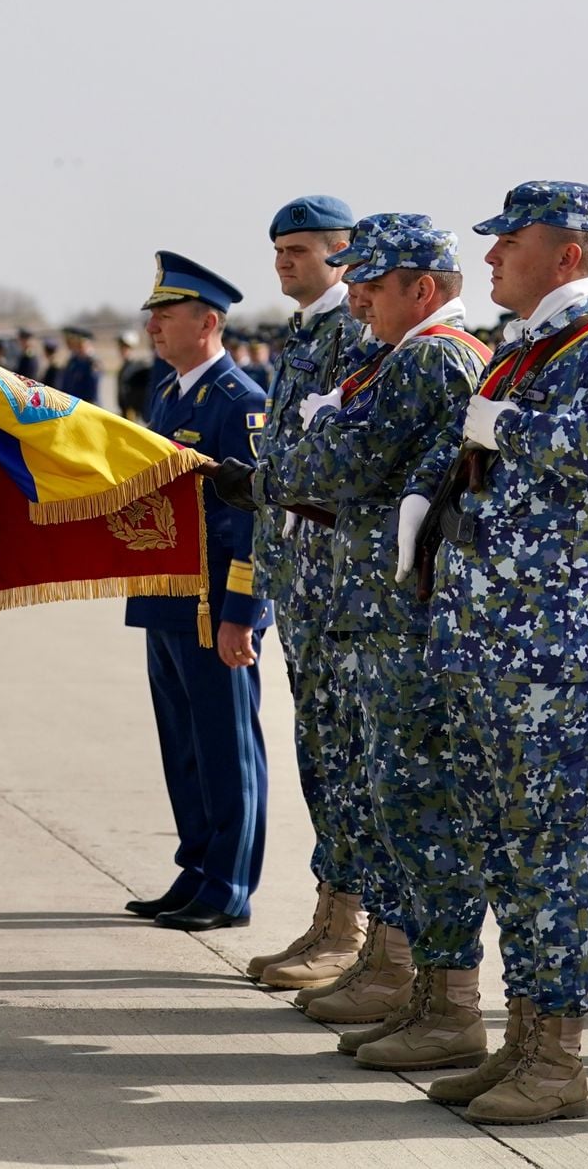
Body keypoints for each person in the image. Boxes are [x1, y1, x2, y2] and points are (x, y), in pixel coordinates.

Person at [397, 181, 588, 1124]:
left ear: (570, 257)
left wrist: (505, 427)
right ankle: (521, 1042)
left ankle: (559, 1060)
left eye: (514, 242)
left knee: (548, 851)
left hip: (547, 660)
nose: (495, 257)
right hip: (485, 648)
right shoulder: (518, 354)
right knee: (503, 850)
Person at [214, 216, 488, 1047]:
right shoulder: (395, 354)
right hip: (358, 605)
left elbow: (341, 458)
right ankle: (397, 968)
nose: (357, 291)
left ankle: (425, 985)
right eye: (355, 275)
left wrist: (260, 480)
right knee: (379, 791)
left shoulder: (435, 355)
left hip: (397, 616)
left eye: (375, 279)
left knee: (411, 798)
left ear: (425, 287)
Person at [228, 196, 368, 995]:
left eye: (299, 251)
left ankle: (353, 929)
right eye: (278, 250)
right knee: (323, 755)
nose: (283, 263)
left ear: (340, 254)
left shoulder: (354, 331)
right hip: (301, 577)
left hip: (343, 583)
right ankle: (334, 911)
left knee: (349, 757)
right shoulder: (308, 332)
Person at [121, 251, 272, 933]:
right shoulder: (168, 394)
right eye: (152, 313)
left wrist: (243, 613)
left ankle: (229, 883)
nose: (153, 324)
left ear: (207, 322)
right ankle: (197, 868)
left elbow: (252, 523)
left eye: (166, 313)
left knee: (224, 744)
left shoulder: (241, 405)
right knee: (182, 743)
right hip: (167, 596)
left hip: (215, 605)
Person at [114, 331, 152, 420]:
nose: (122, 351)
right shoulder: (124, 367)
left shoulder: (138, 367)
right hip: (124, 409)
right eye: (121, 348)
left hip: (133, 411)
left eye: (125, 348)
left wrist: (134, 408)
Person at [56, 326, 99, 403]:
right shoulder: (74, 361)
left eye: (80, 344)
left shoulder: (91, 363)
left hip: (85, 405)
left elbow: (92, 391)